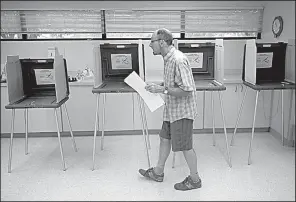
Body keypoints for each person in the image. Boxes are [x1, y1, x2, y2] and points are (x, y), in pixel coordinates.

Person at [138, 28, 201, 191]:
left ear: (162, 42)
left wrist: (162, 90)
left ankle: (195, 179)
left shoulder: (178, 59)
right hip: (171, 110)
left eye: (151, 41)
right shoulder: (168, 58)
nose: (149, 45)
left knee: (185, 146)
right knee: (164, 138)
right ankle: (158, 172)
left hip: (182, 111)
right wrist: (158, 86)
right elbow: (172, 83)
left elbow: (187, 90)